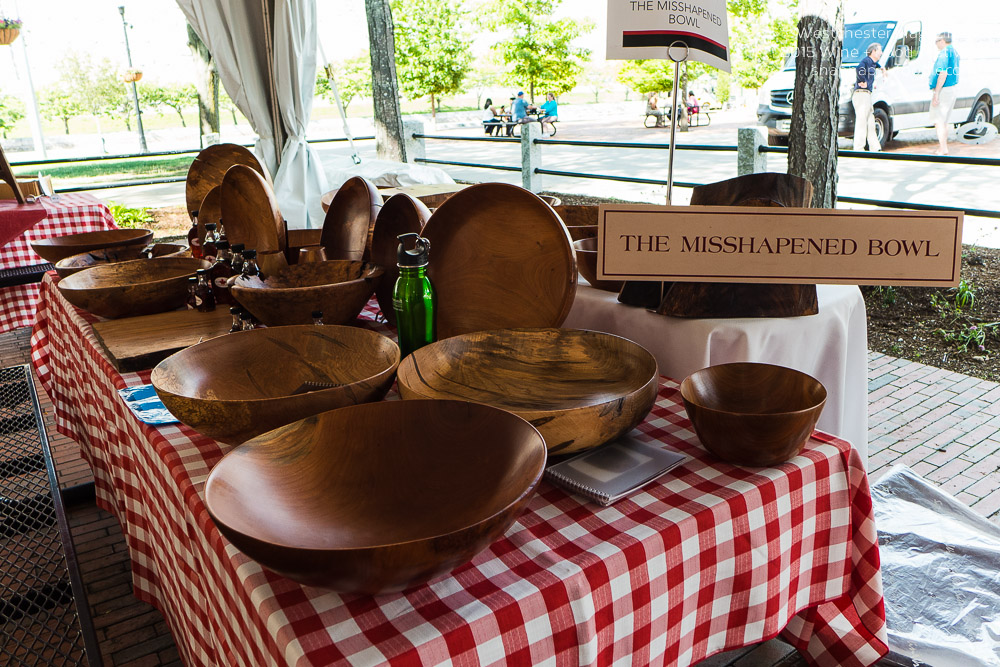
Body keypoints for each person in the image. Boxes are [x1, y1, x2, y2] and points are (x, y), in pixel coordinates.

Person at [930, 31, 960, 155]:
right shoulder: (954, 52)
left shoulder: (944, 53)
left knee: (938, 120)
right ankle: (944, 147)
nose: (936, 44)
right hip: (952, 88)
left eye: (936, 41)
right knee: (944, 121)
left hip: (944, 90)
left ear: (942, 41)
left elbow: (942, 73)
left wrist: (936, 93)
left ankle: (942, 148)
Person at [852, 42, 885, 152]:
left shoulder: (872, 63)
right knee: (862, 121)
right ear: (873, 51)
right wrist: (862, 81)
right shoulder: (866, 61)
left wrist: (882, 68)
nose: (881, 53)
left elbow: (876, 65)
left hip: (866, 95)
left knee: (870, 121)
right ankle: (858, 148)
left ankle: (875, 147)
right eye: (880, 50)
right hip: (861, 94)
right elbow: (859, 69)